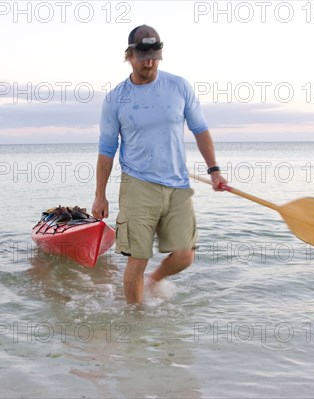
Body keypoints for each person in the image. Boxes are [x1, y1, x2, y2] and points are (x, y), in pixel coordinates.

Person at [92, 25, 227, 305]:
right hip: (137, 184)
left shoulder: (178, 86)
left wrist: (214, 170)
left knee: (185, 255)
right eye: (143, 56)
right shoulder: (116, 98)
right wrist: (100, 194)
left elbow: (200, 130)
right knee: (137, 261)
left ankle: (155, 279)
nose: (149, 62)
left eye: (155, 55)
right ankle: (135, 321)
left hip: (177, 184)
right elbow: (107, 150)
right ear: (129, 56)